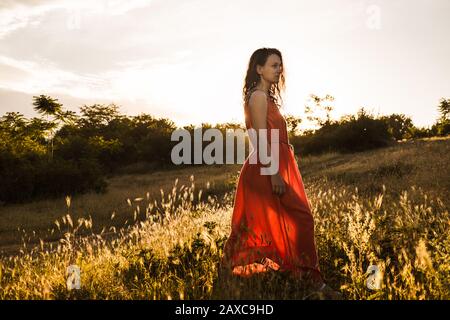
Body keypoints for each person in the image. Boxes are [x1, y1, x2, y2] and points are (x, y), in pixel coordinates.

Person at [220, 48, 342, 299]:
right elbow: (258, 137)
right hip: (266, 168)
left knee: (284, 222)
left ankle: (298, 278)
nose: (279, 69)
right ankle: (313, 284)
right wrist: (274, 172)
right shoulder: (257, 97)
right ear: (259, 69)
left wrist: (286, 147)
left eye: (280, 65)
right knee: (301, 219)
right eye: (274, 65)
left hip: (276, 163)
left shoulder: (268, 99)